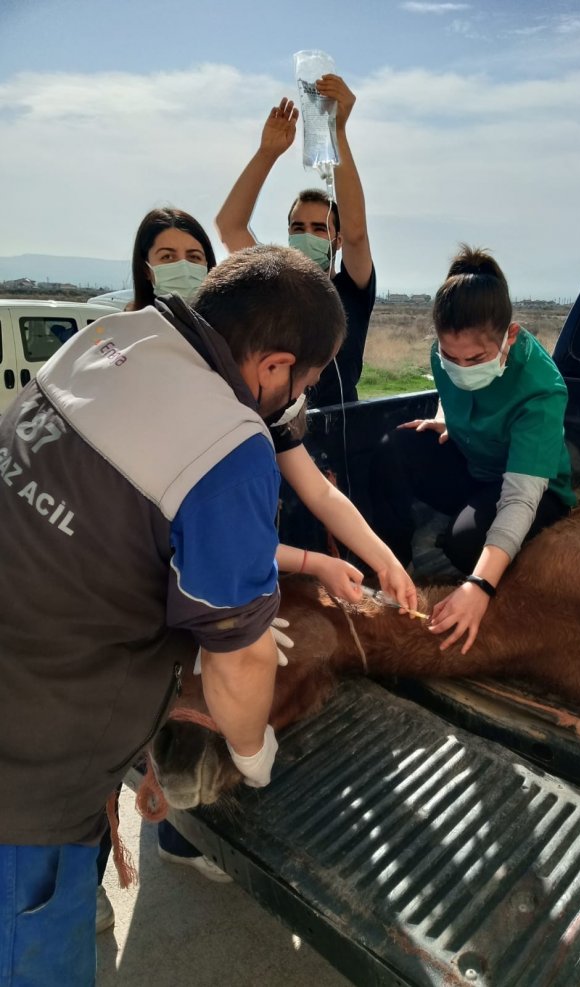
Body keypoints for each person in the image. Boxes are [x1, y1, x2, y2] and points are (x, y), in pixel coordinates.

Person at [0, 245, 352, 983]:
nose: (294, 401)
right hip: (26, 779)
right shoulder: (228, 442)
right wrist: (251, 749)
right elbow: (244, 659)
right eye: (304, 384)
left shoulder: (105, 343)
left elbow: (114, 531)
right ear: (276, 366)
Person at [370, 246, 577, 655]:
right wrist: (444, 415)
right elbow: (453, 387)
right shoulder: (447, 352)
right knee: (394, 446)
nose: (462, 367)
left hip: (531, 490)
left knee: (468, 544)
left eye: (477, 359)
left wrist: (479, 586)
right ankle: (391, 566)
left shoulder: (541, 389)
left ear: (510, 336)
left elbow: (520, 497)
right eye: (450, 357)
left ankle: (474, 572)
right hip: (474, 465)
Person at [215, 74, 375, 406]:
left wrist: (337, 132)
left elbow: (359, 233)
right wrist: (267, 153)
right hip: (281, 431)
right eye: (298, 227)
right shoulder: (273, 284)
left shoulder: (352, 290)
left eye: (320, 229)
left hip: (344, 433)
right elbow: (229, 226)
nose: (307, 235)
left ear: (338, 239)